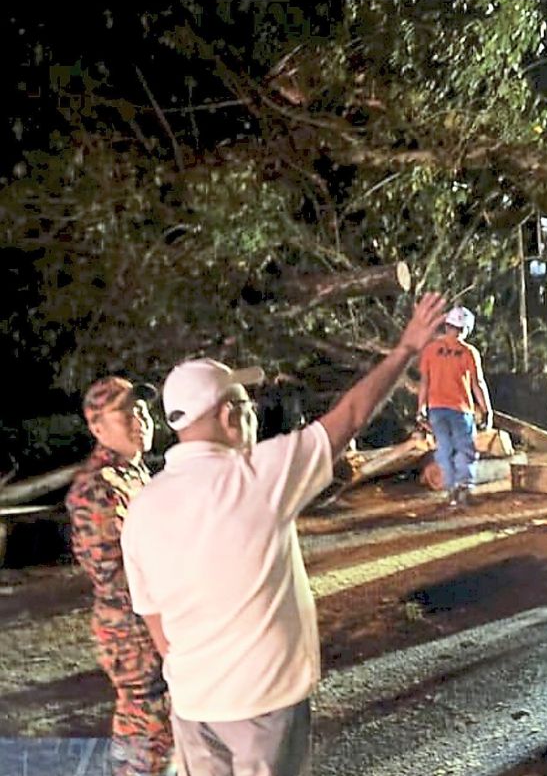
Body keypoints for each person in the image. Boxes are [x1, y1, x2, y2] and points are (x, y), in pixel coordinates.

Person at [121, 293, 447, 776]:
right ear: (230, 416)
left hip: (192, 705)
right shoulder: (258, 476)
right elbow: (351, 417)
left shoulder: (143, 506)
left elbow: (155, 621)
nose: (252, 416)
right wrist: (404, 349)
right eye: (245, 405)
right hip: (263, 703)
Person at [64, 376, 174, 776]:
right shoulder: (98, 487)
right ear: (97, 428)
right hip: (132, 628)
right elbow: (116, 575)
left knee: (160, 731)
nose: (140, 419)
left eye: (142, 410)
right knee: (148, 728)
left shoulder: (134, 474)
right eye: (125, 413)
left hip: (152, 617)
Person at [417, 305, 493, 507]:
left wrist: (420, 408)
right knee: (465, 448)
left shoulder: (430, 350)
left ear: (447, 325)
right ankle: (464, 487)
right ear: (466, 329)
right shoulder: (469, 352)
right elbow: (478, 383)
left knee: (444, 448)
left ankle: (450, 490)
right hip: (461, 410)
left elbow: (424, 381)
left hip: (436, 409)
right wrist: (487, 410)